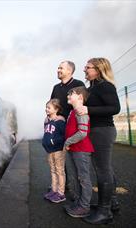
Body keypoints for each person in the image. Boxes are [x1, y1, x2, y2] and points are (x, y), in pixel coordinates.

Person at [75, 58, 121, 224]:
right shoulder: (91, 88)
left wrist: (88, 109)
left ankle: (104, 211)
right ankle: (112, 202)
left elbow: (115, 108)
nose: (84, 70)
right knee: (105, 168)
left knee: (102, 170)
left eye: (88, 67)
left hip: (103, 131)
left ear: (99, 69)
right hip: (95, 131)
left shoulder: (105, 86)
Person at [50, 60, 85, 200]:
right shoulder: (55, 87)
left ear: (70, 71)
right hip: (59, 127)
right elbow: (52, 105)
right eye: (58, 67)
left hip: (73, 126)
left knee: (75, 159)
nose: (58, 70)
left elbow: (82, 104)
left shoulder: (78, 84)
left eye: (61, 68)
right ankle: (61, 186)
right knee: (58, 159)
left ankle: (79, 194)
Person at [63, 86, 94, 218]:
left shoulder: (81, 112)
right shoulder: (72, 111)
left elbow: (82, 132)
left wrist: (68, 142)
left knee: (84, 179)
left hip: (81, 150)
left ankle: (84, 207)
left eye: (72, 93)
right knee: (75, 177)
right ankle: (80, 202)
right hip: (74, 150)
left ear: (80, 97)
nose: (68, 95)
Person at [42, 99, 67, 203]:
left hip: (58, 150)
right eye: (46, 107)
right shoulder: (47, 121)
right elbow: (46, 134)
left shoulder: (60, 121)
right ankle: (54, 190)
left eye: (49, 108)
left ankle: (61, 193)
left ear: (56, 109)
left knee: (59, 171)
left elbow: (63, 136)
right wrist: (45, 142)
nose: (46, 109)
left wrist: (53, 141)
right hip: (49, 150)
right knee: (52, 170)